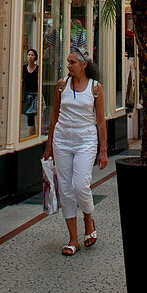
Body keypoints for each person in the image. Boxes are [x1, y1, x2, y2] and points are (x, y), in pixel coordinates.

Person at [43, 47, 108, 255]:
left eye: (72, 62)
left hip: (85, 141)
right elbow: (54, 116)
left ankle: (89, 219)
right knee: (66, 189)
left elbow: (100, 121)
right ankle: (73, 240)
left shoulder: (95, 88)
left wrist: (103, 150)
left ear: (84, 65)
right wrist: (49, 145)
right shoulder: (62, 85)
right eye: (68, 62)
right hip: (62, 140)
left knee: (80, 185)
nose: (68, 66)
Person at [22, 48, 39, 136]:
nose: (30, 57)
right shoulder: (24, 68)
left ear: (35, 57)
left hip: (36, 94)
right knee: (29, 115)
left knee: (31, 115)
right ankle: (33, 135)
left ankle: (31, 136)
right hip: (27, 94)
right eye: (29, 55)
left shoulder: (38, 68)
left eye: (32, 55)